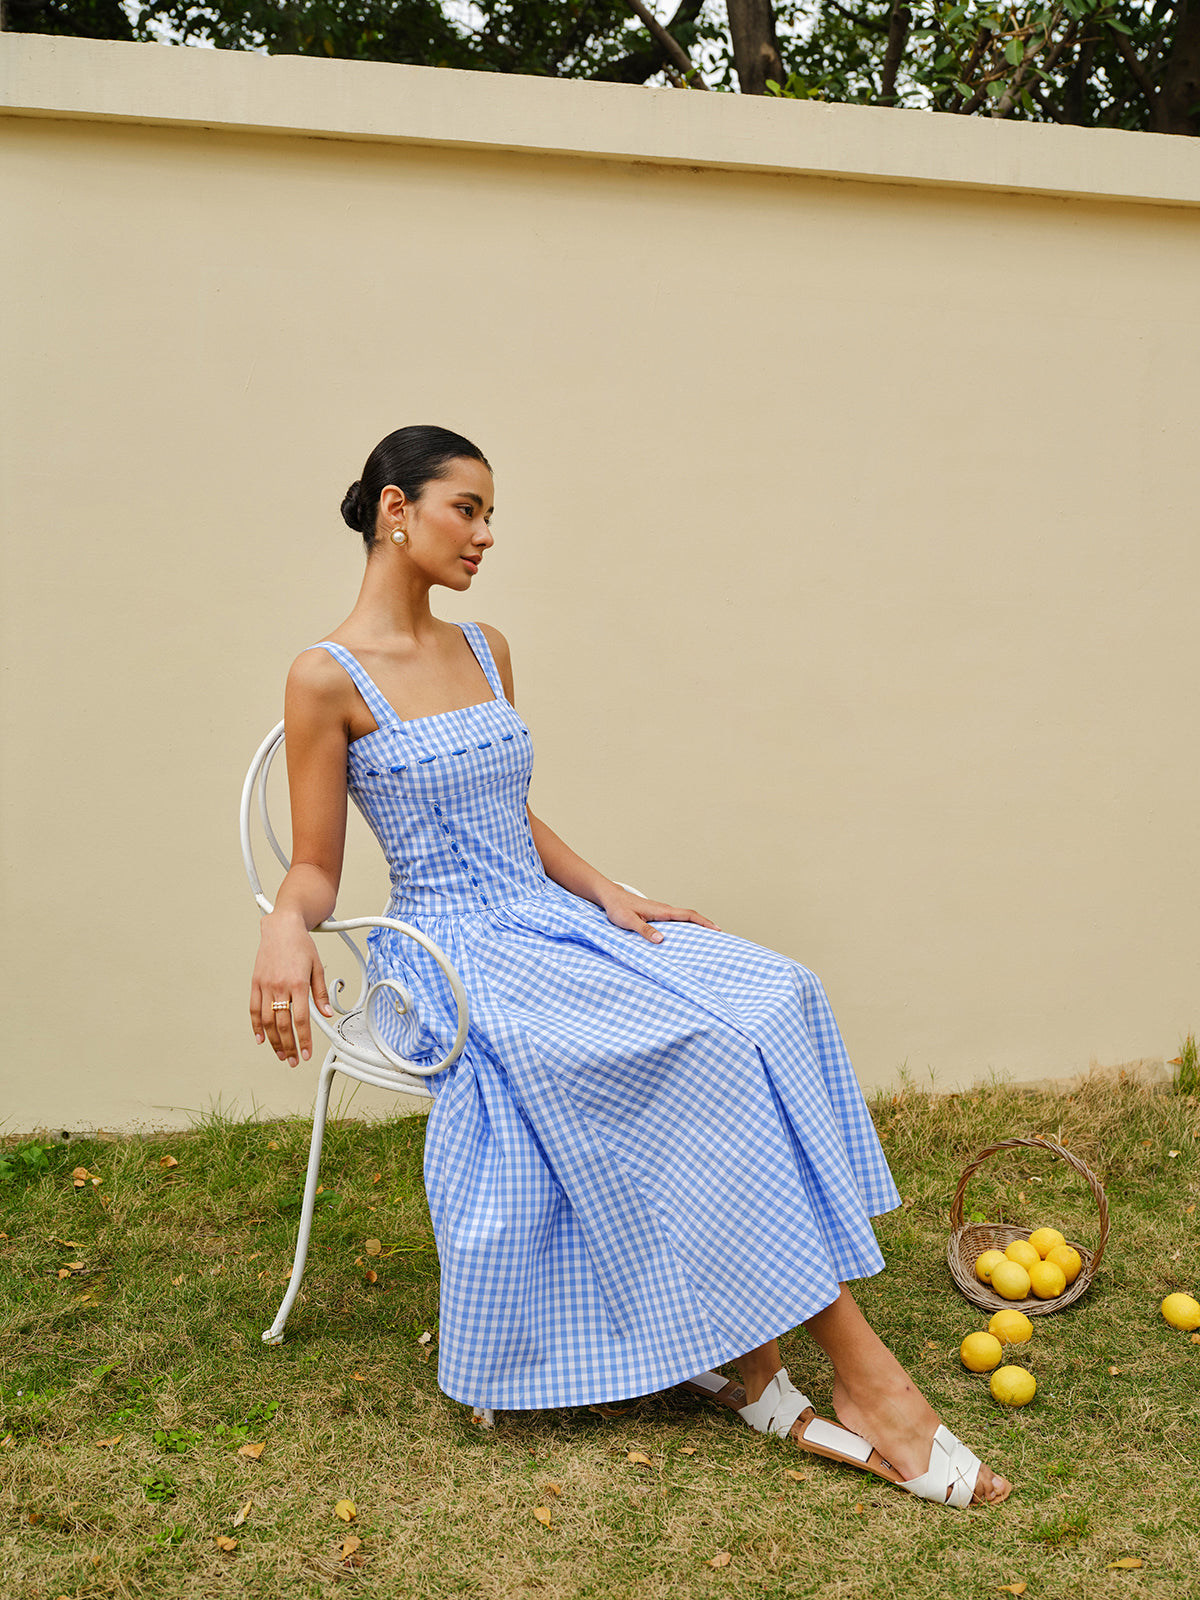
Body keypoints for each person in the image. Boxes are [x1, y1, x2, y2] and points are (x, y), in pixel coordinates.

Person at [249, 425, 1011, 1509]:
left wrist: (604, 887)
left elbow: (506, 809)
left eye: (490, 512)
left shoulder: (485, 649)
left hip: (546, 914)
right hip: (450, 952)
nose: (486, 533)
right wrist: (286, 922)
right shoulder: (323, 677)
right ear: (393, 509)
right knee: (693, 1044)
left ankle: (751, 1345)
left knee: (772, 991)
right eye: (467, 508)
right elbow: (319, 863)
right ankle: (865, 1376)